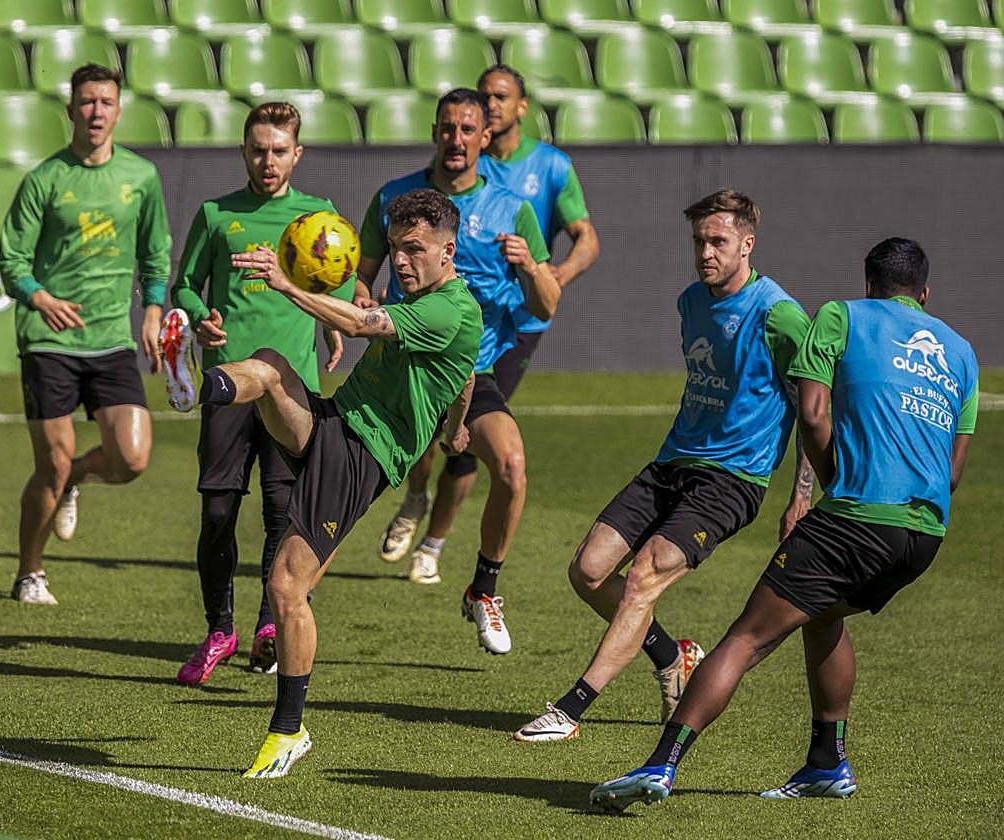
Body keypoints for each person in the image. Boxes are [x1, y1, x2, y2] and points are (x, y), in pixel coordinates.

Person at [590, 237, 979, 812]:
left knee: (746, 637)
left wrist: (826, 486)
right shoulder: (962, 352)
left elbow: (814, 412)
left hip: (856, 517)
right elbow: (951, 472)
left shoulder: (842, 316)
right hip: (925, 536)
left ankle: (660, 766)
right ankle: (827, 763)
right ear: (924, 292)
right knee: (822, 616)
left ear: (869, 283)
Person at [199, 188, 481, 778]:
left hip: (363, 453)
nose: (399, 262)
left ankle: (288, 730)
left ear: (447, 250)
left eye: (414, 250)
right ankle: (192, 386)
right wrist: (455, 432)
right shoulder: (431, 304)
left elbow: (358, 323)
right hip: (335, 425)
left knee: (286, 587)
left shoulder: (449, 309)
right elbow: (465, 381)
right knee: (273, 365)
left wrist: (285, 285)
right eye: (395, 249)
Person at [514, 189, 814, 741]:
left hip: (733, 479)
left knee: (644, 578)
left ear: (747, 244)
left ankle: (572, 708)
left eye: (718, 241)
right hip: (672, 462)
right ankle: (673, 656)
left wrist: (801, 495)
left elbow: (815, 408)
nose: (706, 252)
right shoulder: (690, 303)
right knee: (587, 571)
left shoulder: (781, 316)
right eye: (700, 241)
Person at [376, 64, 601, 584]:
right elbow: (372, 267)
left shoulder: (543, 172)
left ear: (518, 108)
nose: (489, 108)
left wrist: (543, 272)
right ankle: (414, 497)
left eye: (499, 99)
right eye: (483, 99)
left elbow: (585, 240)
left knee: (468, 443)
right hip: (425, 333)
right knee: (428, 436)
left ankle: (434, 544)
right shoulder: (419, 196)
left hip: (506, 327)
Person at [355, 88, 561, 654]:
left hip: (477, 367)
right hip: (408, 363)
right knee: (399, 466)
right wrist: (359, 308)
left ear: (485, 137)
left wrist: (528, 266)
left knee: (511, 467)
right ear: (434, 131)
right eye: (447, 128)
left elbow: (546, 305)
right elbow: (363, 277)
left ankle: (484, 589)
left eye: (468, 130)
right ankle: (414, 500)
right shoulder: (394, 197)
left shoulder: (512, 206)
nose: (457, 139)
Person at [159, 102, 348, 685]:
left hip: (293, 391)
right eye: (258, 149)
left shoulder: (317, 216)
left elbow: (337, 278)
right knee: (217, 512)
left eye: (279, 150)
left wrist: (336, 320)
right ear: (244, 151)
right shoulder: (218, 214)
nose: (268, 161)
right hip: (229, 384)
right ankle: (220, 629)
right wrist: (200, 318)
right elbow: (185, 285)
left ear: (298, 153)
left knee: (282, 512)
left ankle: (270, 626)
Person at [0, 63, 170, 605]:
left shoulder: (141, 177)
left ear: (119, 111)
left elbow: (155, 252)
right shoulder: (45, 180)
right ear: (71, 110)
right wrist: (40, 298)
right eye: (87, 102)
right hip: (48, 342)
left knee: (132, 460)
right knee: (50, 460)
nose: (96, 111)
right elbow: (10, 259)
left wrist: (153, 308)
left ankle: (74, 481)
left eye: (106, 102)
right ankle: (30, 571)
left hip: (111, 340)